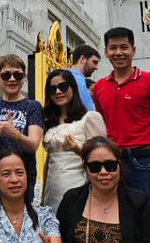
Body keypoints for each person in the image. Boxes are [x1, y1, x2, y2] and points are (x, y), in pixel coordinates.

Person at [92, 27, 150, 202]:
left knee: (149, 212)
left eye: (124, 47)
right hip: (113, 161)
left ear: (133, 50)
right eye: (113, 48)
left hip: (146, 160)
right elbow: (101, 127)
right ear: (106, 52)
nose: (118, 53)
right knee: (117, 211)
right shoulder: (100, 87)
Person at [0, 54, 44, 204]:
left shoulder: (33, 107)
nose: (12, 79)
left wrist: (14, 134)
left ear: (24, 78)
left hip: (22, 179)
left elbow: (33, 144)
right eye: (6, 75)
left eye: (17, 75)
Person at [42, 69, 106, 210]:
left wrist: (77, 149)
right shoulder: (49, 122)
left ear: (73, 88)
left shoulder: (89, 118)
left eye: (63, 86)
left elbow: (102, 157)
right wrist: (43, 194)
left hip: (78, 188)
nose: (58, 92)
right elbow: (49, 161)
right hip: (51, 191)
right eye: (52, 89)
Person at [69, 44, 100, 111]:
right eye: (94, 62)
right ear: (82, 59)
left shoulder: (64, 76)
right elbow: (88, 110)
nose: (96, 68)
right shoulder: (78, 80)